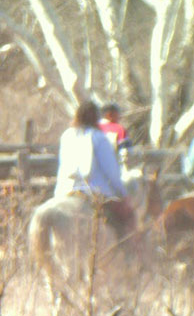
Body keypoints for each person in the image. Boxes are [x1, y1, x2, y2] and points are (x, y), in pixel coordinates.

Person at [54, 99, 136, 237]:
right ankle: (126, 255)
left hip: (63, 190)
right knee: (125, 222)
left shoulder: (66, 135)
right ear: (96, 118)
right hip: (92, 193)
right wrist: (123, 193)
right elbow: (112, 172)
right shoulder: (99, 137)